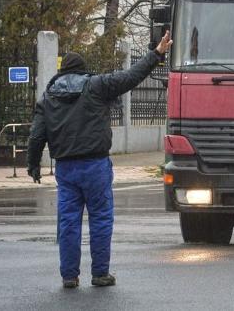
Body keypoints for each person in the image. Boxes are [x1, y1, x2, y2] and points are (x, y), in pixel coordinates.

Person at [27, 31, 172, 289]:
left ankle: (69, 276)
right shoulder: (96, 85)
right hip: (95, 165)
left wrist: (33, 165)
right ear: (82, 70)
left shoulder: (48, 97)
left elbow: (36, 136)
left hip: (65, 168)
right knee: (101, 218)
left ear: (62, 72)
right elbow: (131, 76)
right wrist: (156, 54)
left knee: (68, 222)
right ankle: (100, 274)